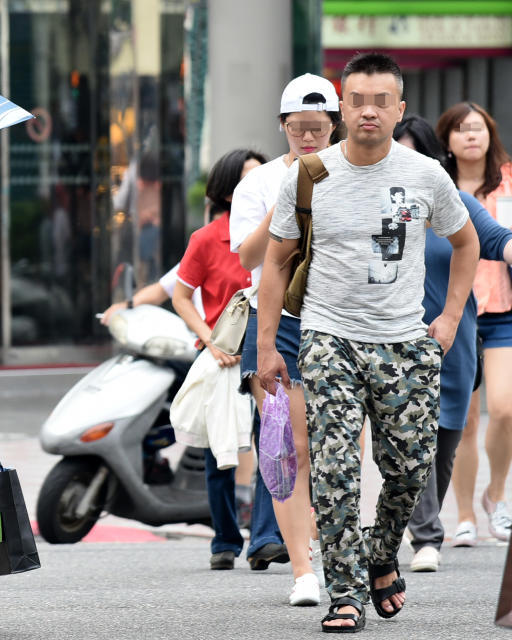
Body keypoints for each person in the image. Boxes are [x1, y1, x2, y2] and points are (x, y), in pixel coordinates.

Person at [257, 52, 478, 632]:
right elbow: (275, 265)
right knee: (333, 469)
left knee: (409, 467)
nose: (369, 112)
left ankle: (382, 553)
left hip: (405, 342)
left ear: (399, 108)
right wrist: (266, 348)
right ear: (341, 108)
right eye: (357, 100)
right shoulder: (309, 175)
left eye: (382, 101)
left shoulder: (426, 174)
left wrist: (451, 316)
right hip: (329, 339)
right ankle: (347, 593)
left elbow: (466, 243)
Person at [230, 73, 341, 607]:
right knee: (288, 444)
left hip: (341, 317)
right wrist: (289, 192)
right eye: (299, 129)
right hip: (276, 320)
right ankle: (302, 569)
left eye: (319, 129)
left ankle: (332, 541)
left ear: (334, 126)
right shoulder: (257, 183)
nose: (309, 139)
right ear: (282, 127)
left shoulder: (352, 174)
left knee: (337, 445)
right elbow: (249, 259)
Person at [393, 114, 512, 572]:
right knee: (407, 432)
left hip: (454, 338)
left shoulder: (457, 202)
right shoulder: (379, 205)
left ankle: (420, 519)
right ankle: (427, 534)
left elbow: (496, 239)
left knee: (444, 438)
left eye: (414, 154)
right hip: (394, 338)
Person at [171, 148, 277, 572]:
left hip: (270, 349)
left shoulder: (282, 232)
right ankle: (225, 538)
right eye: (246, 180)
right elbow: (181, 296)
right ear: (228, 190)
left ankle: (266, 537)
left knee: (273, 440)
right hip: (224, 357)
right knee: (220, 451)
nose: (257, 187)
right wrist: (208, 341)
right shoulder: (206, 238)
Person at [436, 102, 512, 545]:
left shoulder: (507, 181)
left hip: (502, 309)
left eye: (478, 128)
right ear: (446, 139)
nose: (471, 136)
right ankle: (463, 515)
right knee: (461, 420)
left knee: (503, 409)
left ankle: (495, 497)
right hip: (455, 311)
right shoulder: (436, 187)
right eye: (462, 129)